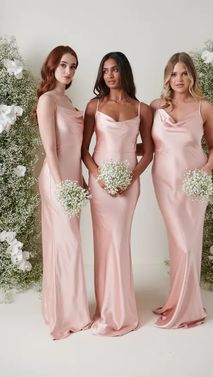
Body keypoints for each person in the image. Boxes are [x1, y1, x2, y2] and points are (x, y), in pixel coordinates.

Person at [82, 51, 153, 336]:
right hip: (100, 185)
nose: (109, 75)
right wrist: (98, 176)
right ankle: (105, 307)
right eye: (105, 70)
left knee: (120, 243)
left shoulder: (142, 109)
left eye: (114, 70)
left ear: (124, 72)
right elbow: (84, 150)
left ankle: (122, 309)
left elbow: (148, 152)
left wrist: (130, 177)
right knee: (103, 244)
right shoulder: (94, 106)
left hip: (128, 186)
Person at [150, 52, 213, 328]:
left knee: (189, 244)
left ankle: (188, 307)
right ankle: (176, 301)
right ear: (167, 77)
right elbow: (145, 145)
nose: (179, 79)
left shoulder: (204, 107)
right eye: (174, 74)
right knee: (178, 243)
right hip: (165, 181)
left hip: (194, 181)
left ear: (192, 76)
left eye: (184, 73)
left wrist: (205, 172)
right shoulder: (156, 106)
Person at [36, 46, 91, 339]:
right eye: (64, 65)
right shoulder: (48, 100)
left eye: (74, 67)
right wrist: (61, 185)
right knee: (65, 243)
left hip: (73, 180)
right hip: (56, 181)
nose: (69, 71)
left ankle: (73, 309)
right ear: (53, 66)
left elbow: (75, 150)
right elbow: (51, 148)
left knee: (71, 244)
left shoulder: (68, 100)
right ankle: (63, 314)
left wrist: (79, 179)